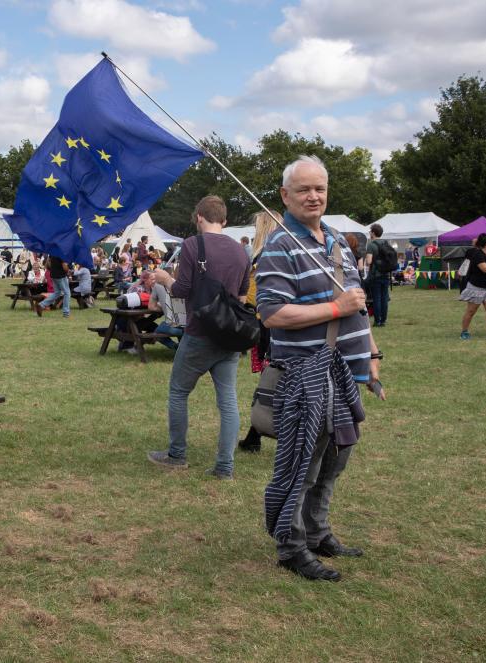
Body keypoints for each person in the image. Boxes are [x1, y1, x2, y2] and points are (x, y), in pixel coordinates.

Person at [256, 156, 383, 582]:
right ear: (285, 195)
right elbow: (271, 313)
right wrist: (334, 307)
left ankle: (318, 531)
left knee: (335, 458)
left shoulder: (334, 238)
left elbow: (356, 304)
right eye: (304, 189)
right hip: (306, 373)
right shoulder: (279, 245)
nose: (314, 196)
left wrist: (372, 354)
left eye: (320, 189)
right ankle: (291, 547)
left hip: (343, 370)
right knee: (302, 464)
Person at [149, 195, 251, 479]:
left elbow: (181, 289)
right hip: (230, 336)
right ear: (225, 220)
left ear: (199, 218)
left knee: (179, 392)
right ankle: (224, 467)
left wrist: (164, 279)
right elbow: (241, 297)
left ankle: (177, 455)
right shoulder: (242, 252)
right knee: (228, 401)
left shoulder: (193, 245)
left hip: (199, 333)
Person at [238, 210, 282, 453]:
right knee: (272, 380)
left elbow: (257, 293)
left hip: (269, 324)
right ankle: (255, 433)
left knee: (273, 380)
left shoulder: (266, 256)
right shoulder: (269, 255)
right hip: (269, 322)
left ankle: (257, 433)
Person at [148, 264, 184, 350]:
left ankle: (174, 346)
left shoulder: (157, 286)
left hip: (172, 327)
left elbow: (151, 307)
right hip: (187, 326)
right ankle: (181, 348)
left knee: (156, 332)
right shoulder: (178, 284)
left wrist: (162, 308)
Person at [364, 224, 391, 327]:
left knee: (377, 298)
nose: (369, 233)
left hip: (376, 274)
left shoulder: (371, 245)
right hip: (386, 273)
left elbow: (369, 261)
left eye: (370, 231)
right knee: (384, 297)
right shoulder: (386, 243)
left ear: (373, 233)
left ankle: (377, 321)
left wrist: (367, 260)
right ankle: (383, 320)